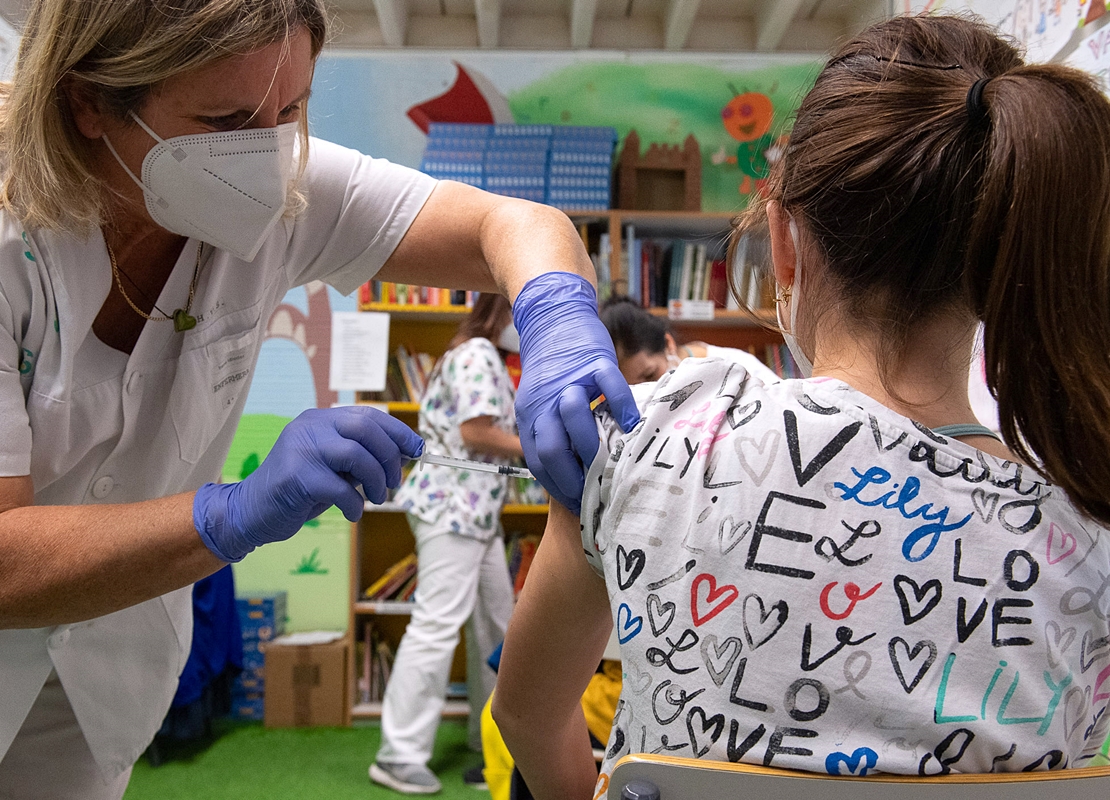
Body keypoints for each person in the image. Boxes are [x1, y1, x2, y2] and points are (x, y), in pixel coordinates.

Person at [0, 1, 637, 797]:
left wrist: (556, 315)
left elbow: (512, 224)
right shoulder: (12, 249)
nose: (270, 155)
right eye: (227, 118)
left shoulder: (282, 191)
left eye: (292, 109)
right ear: (87, 100)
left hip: (103, 673)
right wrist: (228, 514)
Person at [493, 14, 1110, 799]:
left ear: (784, 242)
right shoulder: (1088, 528)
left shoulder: (654, 432)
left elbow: (527, 713)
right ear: (998, 261)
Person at [372, 294, 522, 794]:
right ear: (503, 311)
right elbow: (476, 432)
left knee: (499, 630)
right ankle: (398, 756)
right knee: (437, 626)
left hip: (475, 513)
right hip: (452, 507)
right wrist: (540, 451)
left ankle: (493, 747)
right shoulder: (477, 353)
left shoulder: (479, 354)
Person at [600, 295, 781, 385]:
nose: (648, 390)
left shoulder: (739, 367)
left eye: (650, 375)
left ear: (668, 343)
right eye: (633, 388)